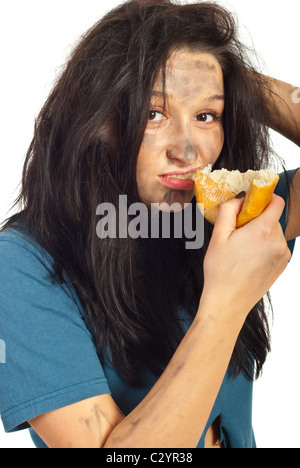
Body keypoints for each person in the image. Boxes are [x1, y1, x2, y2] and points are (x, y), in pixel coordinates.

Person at [0, 0, 299, 449]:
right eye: (152, 114)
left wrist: (228, 76)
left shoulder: (233, 216)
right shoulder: (21, 265)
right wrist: (225, 303)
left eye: (206, 116)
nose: (187, 150)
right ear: (96, 119)